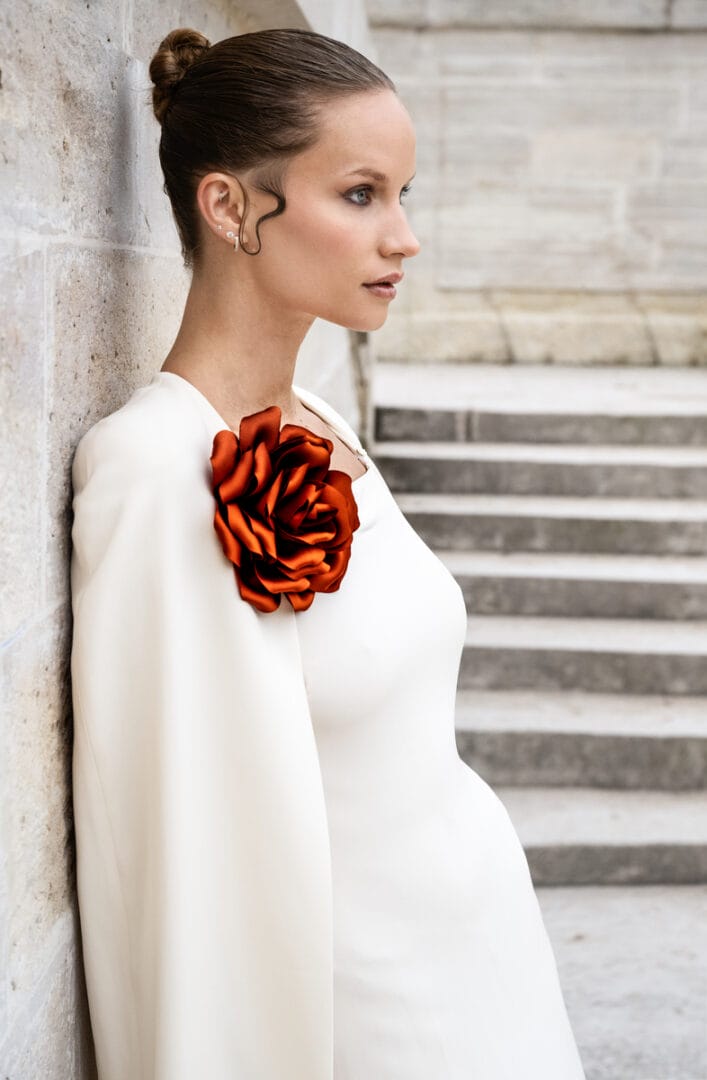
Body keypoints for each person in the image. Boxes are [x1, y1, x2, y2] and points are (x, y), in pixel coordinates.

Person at [69, 25, 586, 1080]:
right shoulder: (152, 466)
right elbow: (169, 869)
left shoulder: (317, 422)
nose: (403, 237)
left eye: (402, 195)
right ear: (228, 208)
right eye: (360, 195)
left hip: (486, 960)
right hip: (367, 1014)